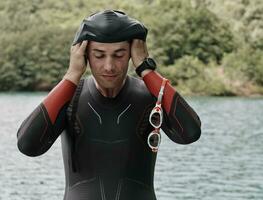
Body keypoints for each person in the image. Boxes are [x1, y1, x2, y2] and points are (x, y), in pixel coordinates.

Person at [17, 10, 201, 200]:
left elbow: (190, 133)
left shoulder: (150, 96)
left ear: (132, 53)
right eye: (98, 55)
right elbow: (27, 145)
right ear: (85, 55)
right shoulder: (71, 97)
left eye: (119, 55)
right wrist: (72, 75)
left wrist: (146, 69)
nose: (109, 66)